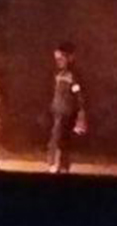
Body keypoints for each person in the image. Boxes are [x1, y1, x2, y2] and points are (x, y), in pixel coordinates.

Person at [47, 42, 88, 173]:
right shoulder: (58, 74)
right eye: (57, 59)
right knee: (58, 137)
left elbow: (79, 94)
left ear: (69, 58)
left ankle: (59, 164)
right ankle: (57, 164)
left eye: (61, 58)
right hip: (57, 111)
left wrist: (81, 113)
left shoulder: (72, 76)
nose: (58, 61)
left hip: (66, 113)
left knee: (60, 138)